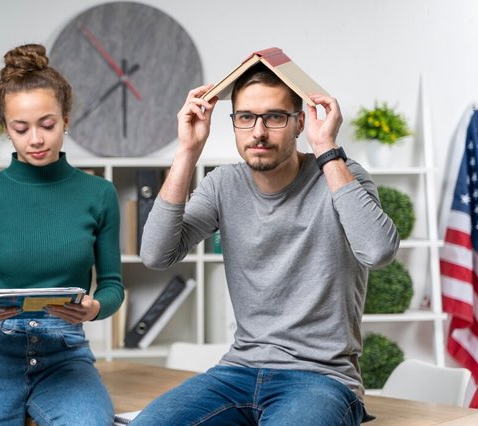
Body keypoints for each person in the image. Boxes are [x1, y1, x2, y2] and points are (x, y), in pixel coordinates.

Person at [134, 62, 400, 425]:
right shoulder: (222, 184)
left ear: (299, 123)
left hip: (320, 379)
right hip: (237, 373)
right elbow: (155, 254)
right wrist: (187, 151)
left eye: (274, 117)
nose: (258, 132)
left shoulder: (341, 175)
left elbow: (379, 251)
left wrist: (327, 149)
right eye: (245, 117)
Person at [0, 43, 124, 426]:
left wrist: (95, 308)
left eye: (47, 124)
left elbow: (112, 285)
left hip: (65, 350)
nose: (36, 139)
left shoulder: (99, 194)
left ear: (66, 119)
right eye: (21, 128)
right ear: (5, 130)